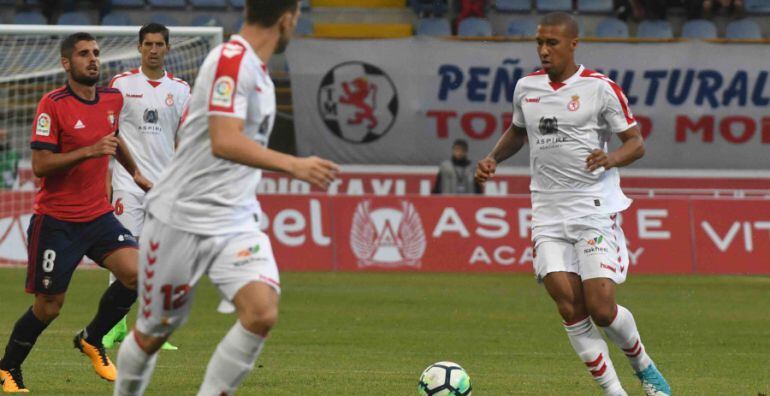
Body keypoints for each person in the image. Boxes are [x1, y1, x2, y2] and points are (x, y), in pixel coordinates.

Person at [113, 1, 339, 395]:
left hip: (234, 218)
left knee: (261, 312)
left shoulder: (259, 73)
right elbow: (224, 140)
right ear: (287, 19)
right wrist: (294, 165)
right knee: (152, 332)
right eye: (298, 17)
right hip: (180, 217)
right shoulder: (231, 61)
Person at [475, 13, 670, 396]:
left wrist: (611, 158)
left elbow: (636, 142)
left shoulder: (600, 88)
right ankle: (614, 392)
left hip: (593, 208)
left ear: (573, 44)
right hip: (547, 212)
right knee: (568, 306)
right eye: (539, 43)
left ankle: (644, 366)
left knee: (601, 309)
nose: (544, 50)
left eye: (552, 43)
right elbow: (518, 130)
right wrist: (494, 158)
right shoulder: (526, 87)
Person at [0, 32, 152, 393]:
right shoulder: (52, 104)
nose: (93, 59)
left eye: (97, 52)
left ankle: (92, 337)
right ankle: (7, 368)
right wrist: (88, 151)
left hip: (97, 216)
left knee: (140, 273)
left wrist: (135, 173)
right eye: (84, 54)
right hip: (56, 221)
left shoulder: (112, 99)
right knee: (49, 307)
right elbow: (40, 165)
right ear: (67, 63)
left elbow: (113, 138)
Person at [102, 22, 189, 351]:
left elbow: (184, 140)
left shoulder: (181, 90)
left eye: (159, 44)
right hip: (128, 184)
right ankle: (113, 326)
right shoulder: (121, 85)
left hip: (164, 188)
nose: (154, 49)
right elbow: (109, 134)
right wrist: (107, 180)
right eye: (148, 44)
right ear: (139, 47)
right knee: (122, 255)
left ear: (168, 48)